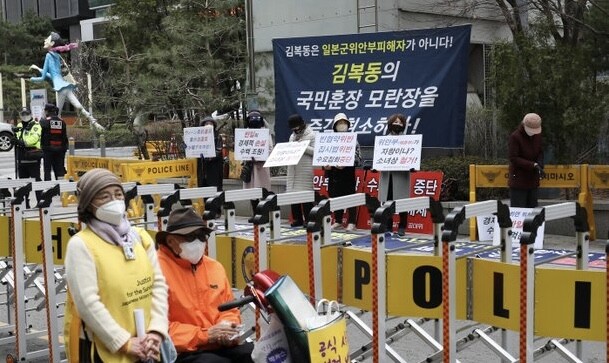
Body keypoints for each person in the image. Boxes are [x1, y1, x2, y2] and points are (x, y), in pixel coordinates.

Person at [64, 168, 169, 362]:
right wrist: (124, 342)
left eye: (118, 194)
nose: (113, 200)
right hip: (105, 350)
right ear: (88, 204)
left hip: (147, 344)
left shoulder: (140, 237)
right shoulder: (81, 245)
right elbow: (87, 303)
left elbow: (158, 286)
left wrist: (156, 331)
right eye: (103, 196)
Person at [156, 207, 254, 363]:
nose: (198, 241)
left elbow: (230, 309)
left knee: (258, 355)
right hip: (181, 351)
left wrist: (228, 326)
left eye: (202, 236)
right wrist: (206, 334)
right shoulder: (155, 271)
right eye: (191, 237)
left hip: (218, 344)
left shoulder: (215, 267)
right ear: (170, 241)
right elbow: (159, 328)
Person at [29, 31, 104, 132]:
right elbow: (53, 75)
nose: (45, 40)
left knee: (57, 114)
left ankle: (56, 133)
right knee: (79, 107)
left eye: (47, 39)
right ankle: (96, 124)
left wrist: (31, 79)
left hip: (61, 88)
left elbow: (43, 78)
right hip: (66, 86)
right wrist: (38, 69)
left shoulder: (48, 56)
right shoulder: (56, 56)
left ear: (52, 43)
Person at [324, 113, 361, 231]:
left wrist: (347, 162)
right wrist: (326, 166)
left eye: (344, 123)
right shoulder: (329, 140)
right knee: (335, 197)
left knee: (350, 197)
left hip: (347, 174)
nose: (342, 125)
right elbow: (323, 156)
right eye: (339, 123)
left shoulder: (352, 140)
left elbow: (359, 159)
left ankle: (352, 222)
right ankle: (338, 220)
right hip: (334, 174)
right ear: (334, 125)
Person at [379, 114, 410, 236]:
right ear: (390, 124)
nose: (397, 125)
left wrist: (412, 166)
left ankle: (402, 226)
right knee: (387, 201)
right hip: (387, 175)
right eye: (395, 122)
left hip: (401, 176)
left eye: (400, 123)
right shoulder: (384, 140)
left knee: (402, 201)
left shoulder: (408, 141)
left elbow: (412, 157)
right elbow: (379, 157)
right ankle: (388, 225)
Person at [508, 113, 544, 208]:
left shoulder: (537, 136)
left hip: (533, 181)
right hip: (518, 181)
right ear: (524, 125)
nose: (533, 132)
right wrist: (532, 165)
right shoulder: (515, 137)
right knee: (519, 212)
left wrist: (540, 164)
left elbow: (540, 151)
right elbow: (513, 158)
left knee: (532, 212)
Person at [287, 114, 316, 227]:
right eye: (293, 128)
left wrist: (302, 146)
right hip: (293, 168)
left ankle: (309, 219)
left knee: (306, 194)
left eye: (297, 127)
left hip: (306, 167)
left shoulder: (311, 135)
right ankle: (297, 219)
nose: (295, 130)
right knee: (293, 194)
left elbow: (315, 151)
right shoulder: (292, 136)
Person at [242, 110, 273, 216]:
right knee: (251, 192)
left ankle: (264, 214)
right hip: (249, 166)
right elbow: (241, 148)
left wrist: (260, 157)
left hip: (261, 166)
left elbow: (270, 149)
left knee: (263, 191)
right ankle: (255, 214)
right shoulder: (245, 133)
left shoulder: (265, 133)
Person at [12, 108, 42, 207]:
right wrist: (14, 139)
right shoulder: (20, 125)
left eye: (26, 114)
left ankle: (40, 201)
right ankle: (25, 203)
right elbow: (17, 136)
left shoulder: (36, 125)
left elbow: (34, 138)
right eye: (22, 114)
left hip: (32, 156)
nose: (25, 116)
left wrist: (22, 142)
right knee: (23, 182)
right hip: (21, 157)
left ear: (30, 114)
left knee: (36, 181)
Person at [40, 103, 68, 181]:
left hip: (48, 149)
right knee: (59, 170)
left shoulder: (44, 121)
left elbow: (41, 135)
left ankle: (48, 189)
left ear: (47, 111)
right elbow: (64, 136)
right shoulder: (62, 121)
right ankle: (61, 188)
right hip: (60, 149)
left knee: (47, 170)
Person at [196, 115, 225, 191]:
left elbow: (218, 150)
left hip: (214, 166)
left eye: (210, 124)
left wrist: (210, 157)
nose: (208, 125)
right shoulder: (198, 136)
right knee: (203, 186)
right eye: (206, 123)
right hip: (202, 166)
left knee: (214, 187)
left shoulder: (217, 136)